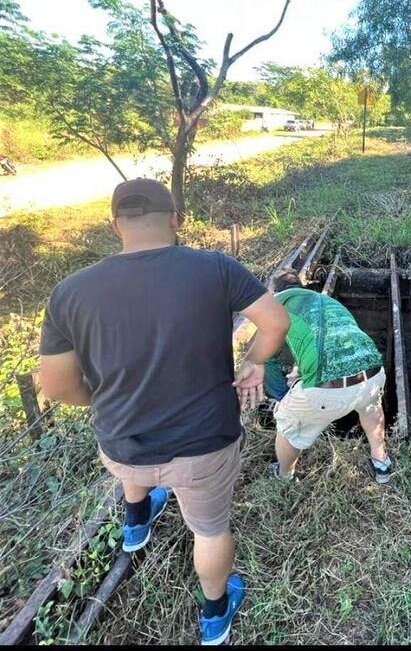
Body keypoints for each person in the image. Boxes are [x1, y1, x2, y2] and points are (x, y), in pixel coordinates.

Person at [38, 178, 289, 645]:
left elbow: (54, 385)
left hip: (121, 443)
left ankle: (135, 525)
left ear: (116, 226)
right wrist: (253, 362)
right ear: (176, 219)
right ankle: (214, 615)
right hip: (203, 446)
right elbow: (276, 322)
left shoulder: (69, 292)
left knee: (135, 461)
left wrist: (101, 400)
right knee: (210, 530)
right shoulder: (216, 268)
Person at [244, 269, 392, 483]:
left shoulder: (275, 309)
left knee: (287, 421)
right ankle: (382, 464)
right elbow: (332, 343)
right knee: (371, 406)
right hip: (373, 372)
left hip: (328, 389)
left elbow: (264, 359)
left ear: (273, 291)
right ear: (300, 288)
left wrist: (282, 396)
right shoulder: (327, 302)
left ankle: (284, 477)